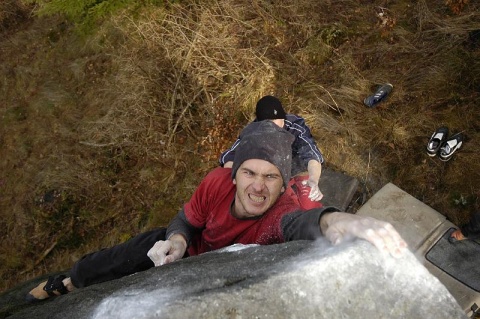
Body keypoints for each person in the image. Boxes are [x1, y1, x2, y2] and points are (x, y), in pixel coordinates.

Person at [27, 121, 407, 302]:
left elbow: (302, 222)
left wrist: (337, 220)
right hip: (189, 254)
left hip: (223, 277)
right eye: (250, 173)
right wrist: (175, 241)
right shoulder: (215, 182)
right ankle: (72, 280)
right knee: (141, 245)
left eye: (271, 177)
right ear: (235, 173)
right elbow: (186, 219)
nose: (259, 187)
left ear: (283, 182)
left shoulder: (281, 212)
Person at [219, 95, 324, 210]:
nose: (271, 126)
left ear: (283, 118)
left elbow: (312, 154)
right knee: (274, 210)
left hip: (299, 172)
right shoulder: (253, 131)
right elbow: (231, 155)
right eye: (266, 122)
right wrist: (229, 185)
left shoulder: (295, 126)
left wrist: (313, 180)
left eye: (275, 120)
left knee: (309, 206)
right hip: (270, 176)